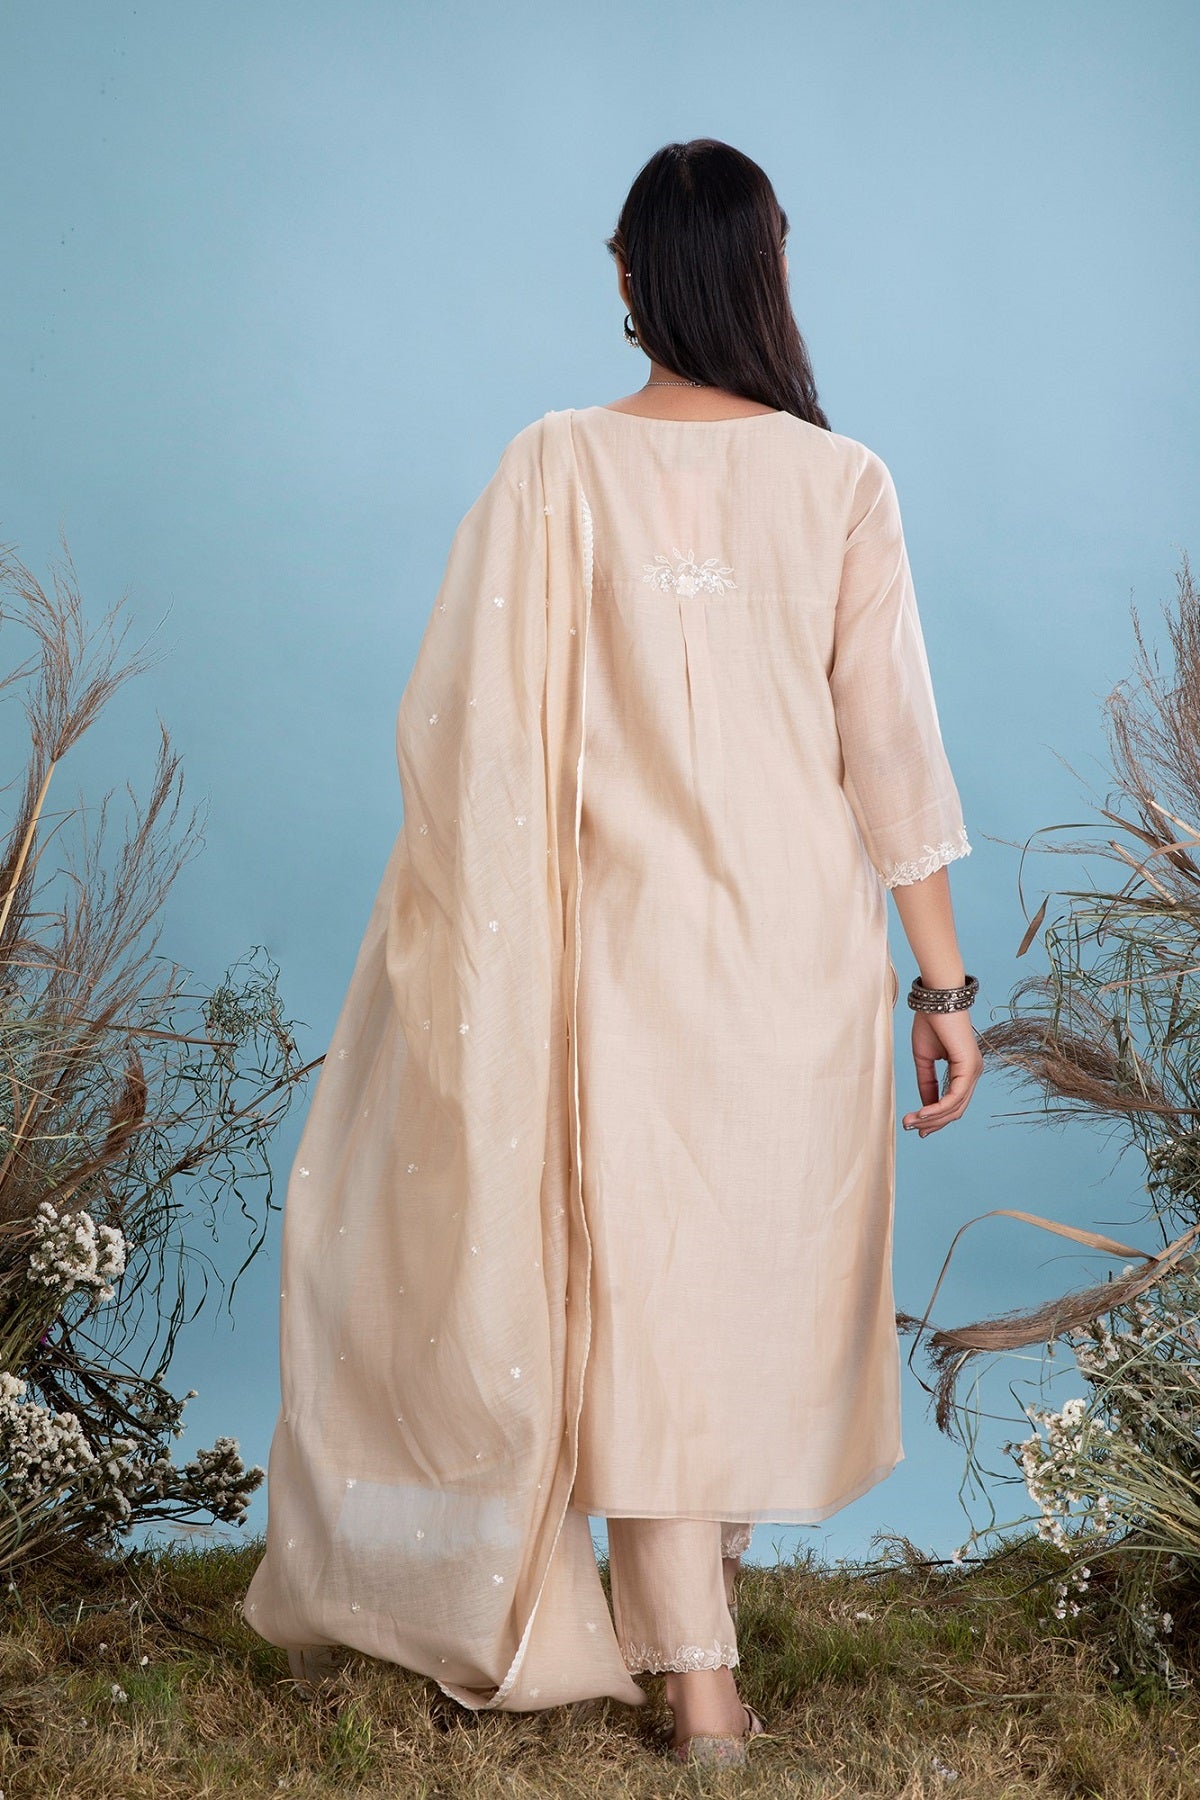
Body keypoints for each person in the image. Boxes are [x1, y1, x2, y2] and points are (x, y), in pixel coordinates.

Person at [242, 138, 983, 1770]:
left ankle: (686, 1644)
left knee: (648, 1297)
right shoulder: (841, 481)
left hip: (604, 951)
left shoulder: (552, 466)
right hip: (793, 959)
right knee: (732, 1290)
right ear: (770, 271)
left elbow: (462, 731)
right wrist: (941, 987)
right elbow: (893, 758)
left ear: (635, 277)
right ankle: (699, 1672)